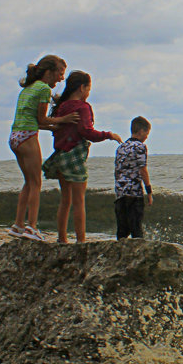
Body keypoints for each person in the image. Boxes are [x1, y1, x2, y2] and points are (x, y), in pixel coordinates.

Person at [41, 71, 122, 243]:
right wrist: (109, 135)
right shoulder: (82, 107)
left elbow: (57, 129)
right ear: (82, 88)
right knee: (79, 202)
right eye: (88, 89)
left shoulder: (62, 107)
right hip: (75, 156)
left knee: (65, 200)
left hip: (60, 155)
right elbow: (87, 132)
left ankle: (62, 238)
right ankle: (81, 241)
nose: (89, 93)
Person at [9, 55, 79, 241]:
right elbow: (42, 119)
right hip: (27, 137)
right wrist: (64, 120)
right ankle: (31, 227)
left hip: (15, 136)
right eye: (60, 74)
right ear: (49, 72)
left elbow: (36, 121)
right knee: (36, 183)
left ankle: (18, 225)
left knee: (28, 182)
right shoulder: (43, 89)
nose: (61, 79)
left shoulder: (27, 89)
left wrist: (52, 127)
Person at [114, 116, 153, 239]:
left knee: (122, 230)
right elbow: (143, 170)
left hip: (120, 193)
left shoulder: (121, 147)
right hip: (134, 193)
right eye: (147, 133)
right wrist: (149, 192)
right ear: (141, 131)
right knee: (136, 230)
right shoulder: (140, 146)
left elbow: (117, 170)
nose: (147, 136)